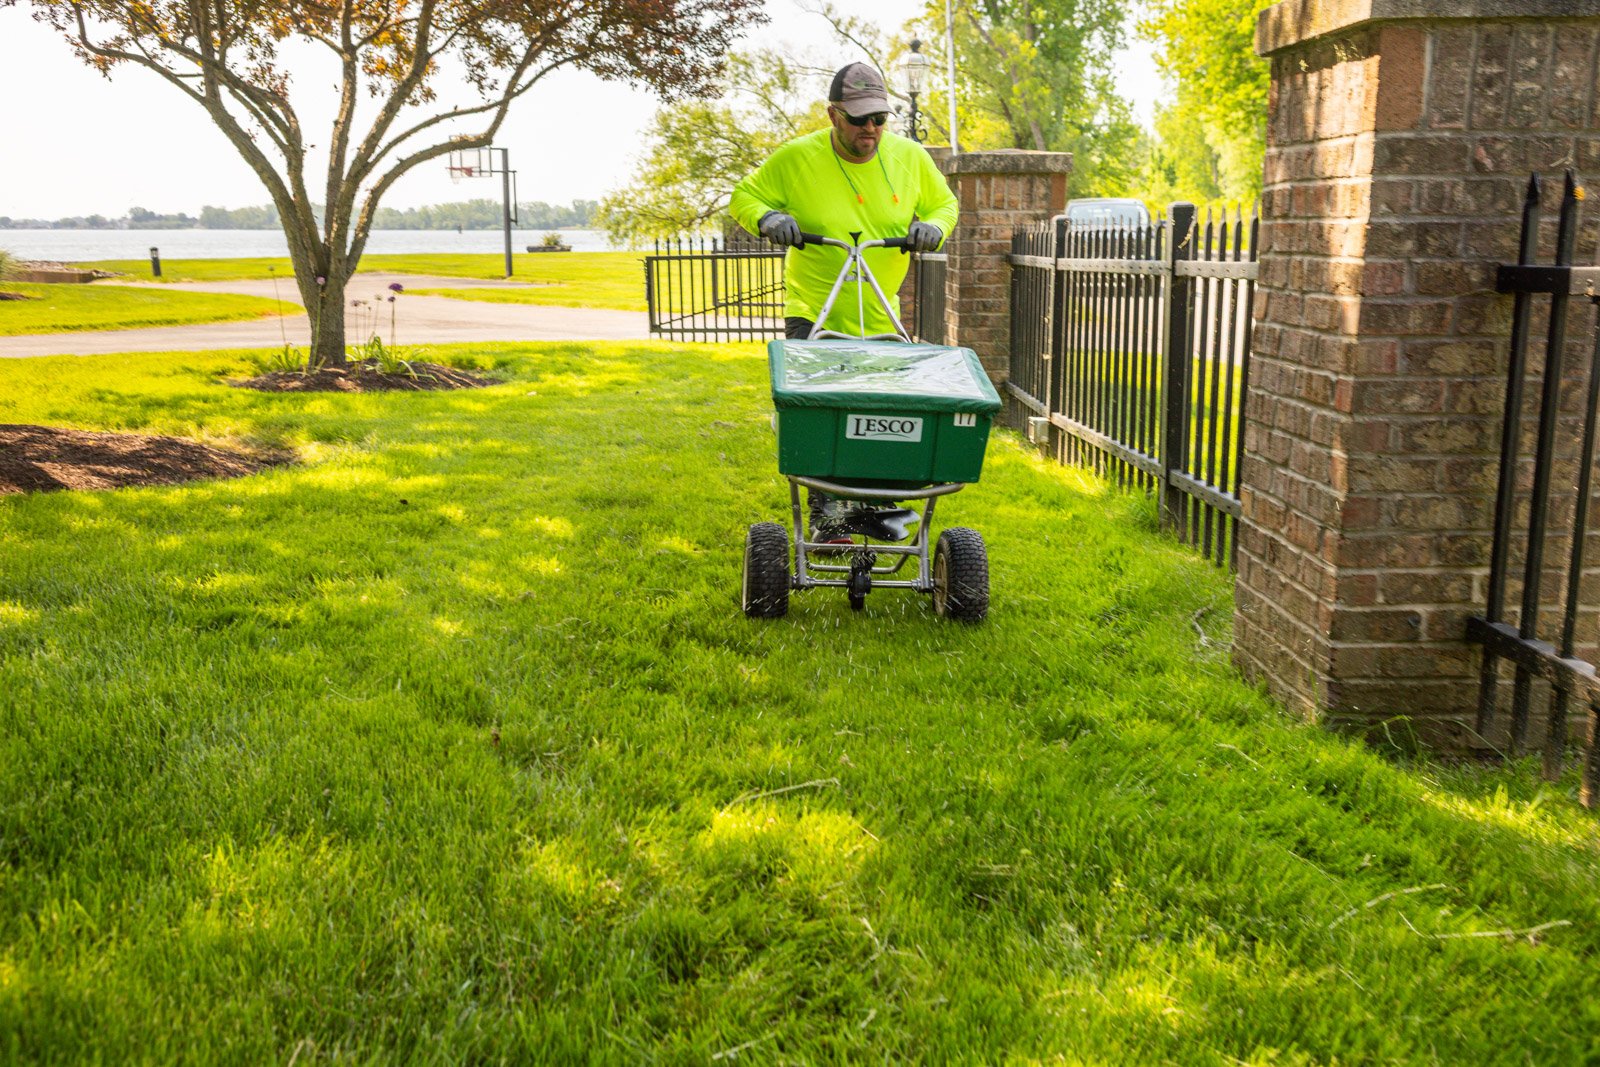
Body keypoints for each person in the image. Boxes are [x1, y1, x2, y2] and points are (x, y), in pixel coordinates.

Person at [730, 61, 959, 540]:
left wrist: (933, 228)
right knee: (820, 416)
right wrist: (769, 218)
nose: (870, 129)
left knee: (886, 416)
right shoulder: (798, 157)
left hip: (880, 313)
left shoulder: (910, 158)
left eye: (879, 118)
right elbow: (745, 195)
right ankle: (829, 517)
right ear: (833, 114)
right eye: (859, 119)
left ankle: (879, 507)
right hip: (814, 310)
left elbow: (944, 203)